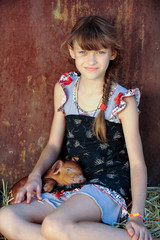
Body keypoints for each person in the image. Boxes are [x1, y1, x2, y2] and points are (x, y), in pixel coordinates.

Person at [0, 15, 152, 240]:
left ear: (112, 53)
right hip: (73, 182)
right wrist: (35, 176)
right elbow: (53, 144)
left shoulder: (123, 101)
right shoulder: (65, 89)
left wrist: (137, 215)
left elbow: (137, 163)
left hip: (107, 185)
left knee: (54, 225)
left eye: (100, 52)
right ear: (72, 51)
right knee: (6, 217)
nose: (91, 60)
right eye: (84, 52)